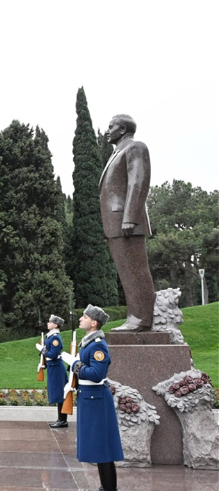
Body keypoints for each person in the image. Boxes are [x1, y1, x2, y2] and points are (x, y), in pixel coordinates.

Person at [99, 114, 155, 332]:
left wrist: (129, 217)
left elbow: (138, 182)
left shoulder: (135, 147)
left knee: (135, 271)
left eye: (110, 127)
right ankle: (135, 316)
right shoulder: (117, 153)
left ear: (122, 129)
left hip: (126, 221)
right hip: (115, 223)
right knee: (126, 272)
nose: (107, 131)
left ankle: (141, 318)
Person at [69, 304, 123, 491]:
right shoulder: (88, 343)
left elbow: (96, 373)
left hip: (96, 398)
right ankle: (105, 488)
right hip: (91, 398)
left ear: (94, 323)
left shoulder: (97, 345)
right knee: (99, 445)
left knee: (103, 445)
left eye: (84, 317)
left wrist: (76, 365)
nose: (80, 318)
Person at [41, 315, 68, 428]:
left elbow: (53, 354)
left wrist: (43, 351)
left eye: (50, 322)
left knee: (59, 393)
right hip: (53, 367)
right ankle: (60, 419)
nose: (48, 323)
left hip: (56, 367)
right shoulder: (51, 337)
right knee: (57, 393)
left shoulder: (55, 338)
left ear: (55, 325)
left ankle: (62, 420)